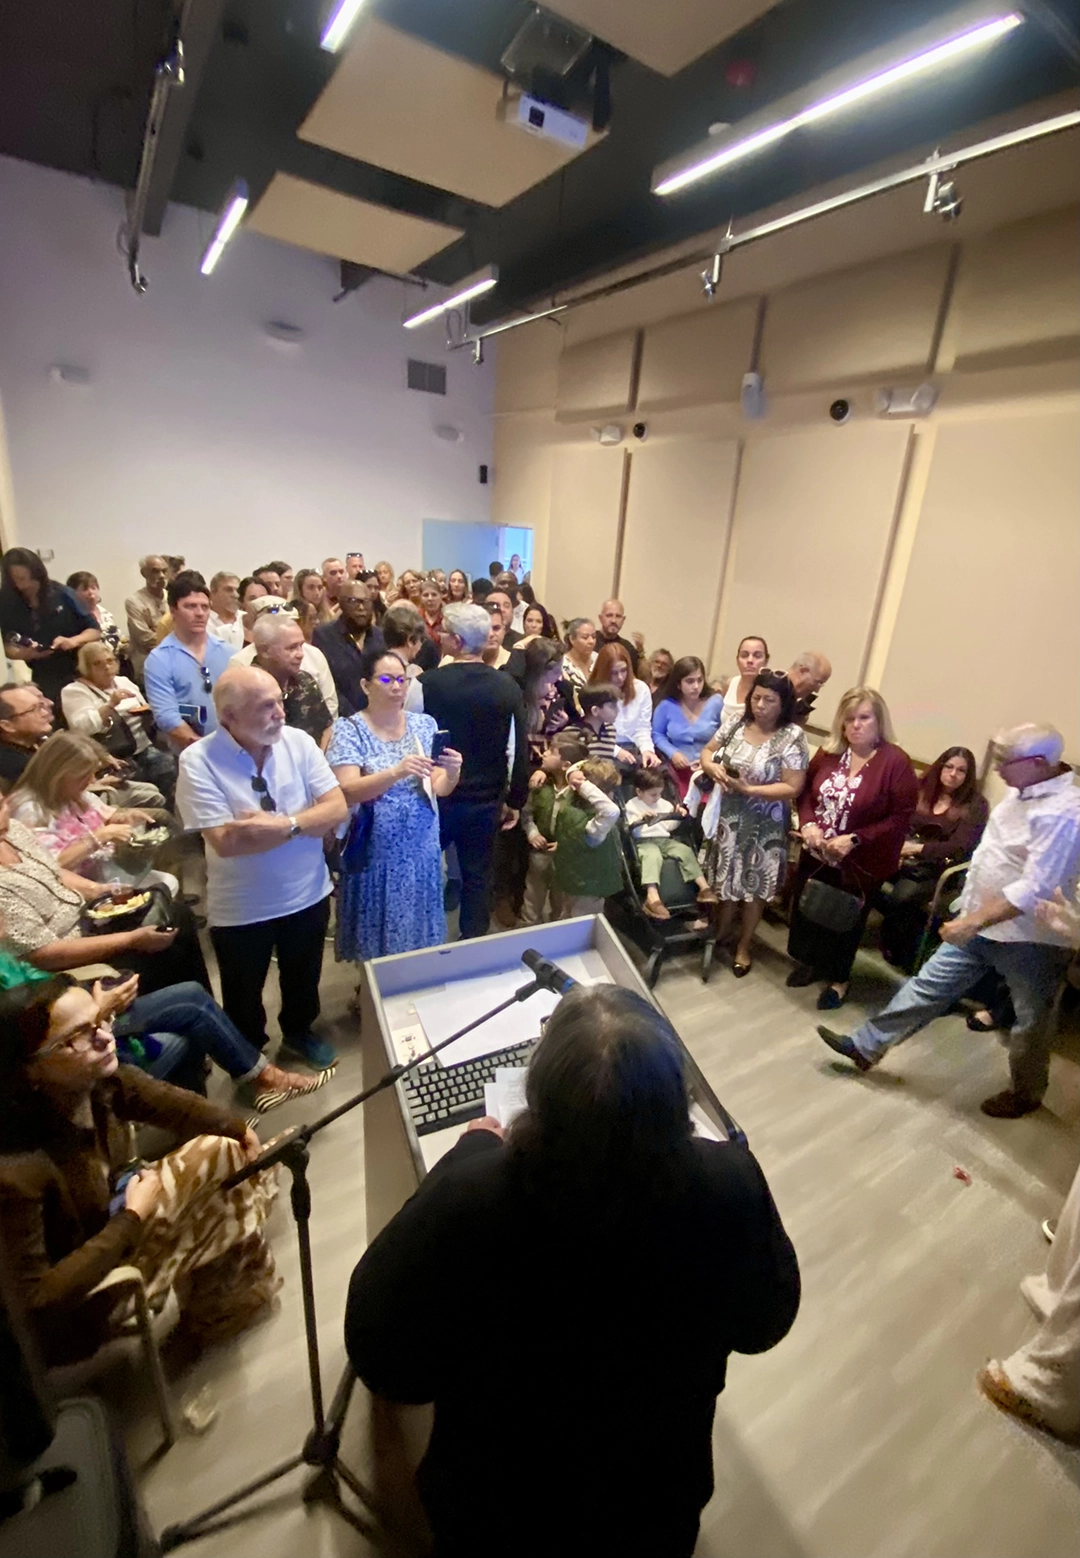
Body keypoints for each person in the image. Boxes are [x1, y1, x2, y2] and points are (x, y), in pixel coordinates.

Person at [345, 984, 799, 1558]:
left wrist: (467, 1153)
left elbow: (380, 1355)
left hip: (493, 1514)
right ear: (674, 1096)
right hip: (654, 1506)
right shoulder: (731, 1181)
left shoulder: (470, 1196)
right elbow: (765, 1323)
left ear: (538, 1097)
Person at [0, 973, 281, 1364]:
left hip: (112, 1229)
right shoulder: (17, 1169)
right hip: (82, 1309)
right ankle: (220, 1309)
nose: (104, 1038)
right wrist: (131, 1219)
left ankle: (222, 1307)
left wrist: (236, 1127)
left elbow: (166, 1101)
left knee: (231, 1154)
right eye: (77, 1036)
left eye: (100, 1020)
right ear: (30, 1070)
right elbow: (38, 1298)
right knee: (222, 1163)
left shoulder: (96, 1083)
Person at [817, 723, 1080, 1116]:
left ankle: (1026, 1093)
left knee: (1031, 1020)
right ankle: (866, 1046)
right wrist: (969, 910)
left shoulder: (1064, 813)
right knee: (927, 986)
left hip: (1029, 939)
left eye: (1006, 761)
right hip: (980, 921)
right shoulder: (1023, 787)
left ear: (1039, 763)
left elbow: (1035, 888)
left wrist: (972, 922)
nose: (997, 769)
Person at [175, 665, 347, 1071]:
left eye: (279, 702)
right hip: (241, 908)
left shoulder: (299, 743)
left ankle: (299, 1035)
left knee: (303, 980)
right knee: (242, 996)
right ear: (229, 716)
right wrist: (307, 822)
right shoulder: (198, 761)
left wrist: (283, 824)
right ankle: (250, 1062)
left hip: (307, 892)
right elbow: (227, 843)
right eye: (266, 706)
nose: (280, 713)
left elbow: (337, 807)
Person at [0, 790, 208, 992]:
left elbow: (53, 871)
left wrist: (97, 890)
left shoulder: (14, 832)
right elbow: (43, 955)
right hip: (67, 958)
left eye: (1, 805)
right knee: (164, 953)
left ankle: (203, 1002)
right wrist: (130, 940)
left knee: (177, 915)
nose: (5, 813)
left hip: (88, 920)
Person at [328, 648, 462, 961]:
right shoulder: (350, 729)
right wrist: (396, 772)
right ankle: (374, 986)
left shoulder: (424, 724)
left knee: (419, 932)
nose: (397, 687)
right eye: (387, 679)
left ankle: (413, 981)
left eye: (402, 680)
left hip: (421, 847)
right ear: (366, 685)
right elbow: (347, 790)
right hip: (376, 852)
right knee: (376, 938)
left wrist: (453, 772)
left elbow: (439, 787)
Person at [787, 687, 916, 1010]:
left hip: (859, 862)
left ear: (879, 720)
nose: (856, 725)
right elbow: (805, 794)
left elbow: (900, 818)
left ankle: (839, 979)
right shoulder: (829, 753)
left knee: (845, 920)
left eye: (864, 718)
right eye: (849, 719)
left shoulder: (895, 762)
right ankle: (812, 963)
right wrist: (809, 824)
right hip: (817, 853)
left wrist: (855, 839)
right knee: (811, 910)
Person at [418, 604, 527, 939]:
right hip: (485, 800)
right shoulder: (507, 686)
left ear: (456, 640)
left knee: (423, 871)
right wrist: (516, 799)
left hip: (434, 798)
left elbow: (413, 742)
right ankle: (472, 942)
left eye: (444, 632)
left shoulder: (426, 684)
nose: (439, 636)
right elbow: (516, 749)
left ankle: (419, 939)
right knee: (478, 877)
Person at [698, 671, 809, 974]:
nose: (760, 705)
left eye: (769, 700)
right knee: (726, 879)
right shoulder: (737, 722)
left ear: (783, 703)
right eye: (756, 697)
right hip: (729, 816)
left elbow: (793, 787)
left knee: (754, 887)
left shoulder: (792, 736)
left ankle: (744, 946)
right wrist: (711, 768)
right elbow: (708, 751)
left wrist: (751, 790)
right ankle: (722, 931)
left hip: (765, 823)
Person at [878, 746, 989, 970]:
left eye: (961, 770)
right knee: (865, 874)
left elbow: (959, 847)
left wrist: (918, 849)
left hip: (937, 868)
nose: (953, 774)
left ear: (968, 776)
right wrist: (896, 847)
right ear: (940, 767)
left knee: (902, 897)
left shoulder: (975, 805)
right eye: (949, 767)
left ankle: (897, 947)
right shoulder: (920, 789)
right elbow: (897, 820)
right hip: (902, 854)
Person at [8, 731, 165, 883]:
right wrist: (98, 838)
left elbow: (105, 818)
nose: (92, 781)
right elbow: (48, 867)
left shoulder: (76, 793)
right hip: (79, 887)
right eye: (84, 776)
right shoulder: (30, 811)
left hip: (108, 871)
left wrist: (122, 818)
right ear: (58, 775)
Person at [61, 642, 178, 800]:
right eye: (97, 663)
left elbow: (143, 705)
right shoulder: (74, 691)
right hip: (111, 757)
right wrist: (111, 704)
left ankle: (170, 812)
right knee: (145, 790)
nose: (106, 667)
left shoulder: (123, 681)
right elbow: (81, 728)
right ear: (86, 668)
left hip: (144, 747)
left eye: (110, 661)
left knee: (170, 771)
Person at [143, 571, 238, 752]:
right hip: (190, 752)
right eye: (190, 606)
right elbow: (167, 716)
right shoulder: (160, 659)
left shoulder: (228, 652)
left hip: (235, 747)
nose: (200, 613)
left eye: (205, 607)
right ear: (173, 611)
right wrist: (204, 749)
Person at [1, 548, 100, 706]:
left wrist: (73, 641)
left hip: (78, 667)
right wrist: (25, 654)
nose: (27, 585)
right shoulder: (7, 603)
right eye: (19, 580)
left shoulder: (61, 593)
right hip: (44, 674)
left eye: (31, 579)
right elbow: (6, 645)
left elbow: (94, 630)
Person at [625, 769, 715, 924]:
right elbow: (631, 830)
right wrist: (641, 818)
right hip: (644, 841)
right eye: (653, 794)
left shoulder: (664, 804)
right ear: (639, 792)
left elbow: (669, 826)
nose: (657, 798)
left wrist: (677, 816)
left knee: (684, 850)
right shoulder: (632, 805)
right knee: (652, 855)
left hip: (664, 839)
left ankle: (704, 888)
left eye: (660, 793)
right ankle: (652, 897)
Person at [520, 732, 589, 925]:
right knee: (532, 896)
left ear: (566, 765)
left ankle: (556, 930)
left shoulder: (581, 792)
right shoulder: (541, 784)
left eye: (551, 751)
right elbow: (527, 812)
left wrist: (566, 843)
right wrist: (532, 833)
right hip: (540, 852)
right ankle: (527, 929)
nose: (544, 754)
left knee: (561, 902)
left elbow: (587, 824)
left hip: (566, 857)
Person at [250, 613, 333, 751]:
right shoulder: (246, 691)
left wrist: (318, 758)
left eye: (301, 646)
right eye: (292, 648)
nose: (301, 654)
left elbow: (326, 728)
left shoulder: (306, 681)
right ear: (265, 651)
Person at [551, 758, 622, 918]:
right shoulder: (594, 828)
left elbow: (574, 768)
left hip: (571, 880)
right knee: (583, 924)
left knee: (567, 915)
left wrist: (573, 776)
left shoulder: (570, 809)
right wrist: (584, 785)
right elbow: (612, 811)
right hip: (590, 888)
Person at [651, 656, 725, 797]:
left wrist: (709, 759)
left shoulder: (716, 702)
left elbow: (725, 736)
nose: (696, 686)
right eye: (690, 681)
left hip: (708, 771)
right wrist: (673, 753)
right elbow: (657, 735)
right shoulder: (666, 705)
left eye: (700, 680)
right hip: (677, 772)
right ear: (678, 684)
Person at [312, 581, 384, 718]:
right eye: (353, 601)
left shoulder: (380, 637)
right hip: (340, 718)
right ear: (341, 603)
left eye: (366, 602)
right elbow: (326, 684)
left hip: (379, 717)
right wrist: (355, 718)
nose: (361, 607)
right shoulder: (324, 636)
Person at [590, 642, 658, 766]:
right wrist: (617, 751)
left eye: (624, 670)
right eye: (614, 673)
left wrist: (647, 750)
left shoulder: (641, 688)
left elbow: (642, 728)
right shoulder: (593, 691)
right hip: (603, 749)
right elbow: (592, 732)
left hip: (633, 747)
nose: (620, 677)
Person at [0, 682, 58, 791]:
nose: (45, 713)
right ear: (7, 726)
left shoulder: (38, 743)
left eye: (41, 706)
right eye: (33, 710)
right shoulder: (12, 765)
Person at [124, 555, 170, 682]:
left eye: (164, 571)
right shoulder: (134, 601)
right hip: (147, 664)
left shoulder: (172, 598)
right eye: (155, 571)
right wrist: (175, 643)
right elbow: (145, 639)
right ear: (144, 573)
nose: (161, 576)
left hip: (174, 662)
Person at [380, 603, 428, 711]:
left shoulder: (372, 667)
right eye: (421, 639)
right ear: (410, 640)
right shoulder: (414, 673)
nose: (421, 645)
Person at [65, 571, 121, 651]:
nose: (91, 592)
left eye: (93, 588)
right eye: (85, 589)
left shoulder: (105, 613)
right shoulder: (72, 617)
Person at [715, 635, 769, 716]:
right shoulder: (730, 684)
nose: (750, 660)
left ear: (766, 661)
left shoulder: (770, 691)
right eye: (744, 655)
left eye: (757, 656)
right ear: (737, 660)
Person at [571, 684, 623, 763]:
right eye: (612, 706)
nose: (617, 710)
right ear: (595, 710)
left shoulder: (610, 730)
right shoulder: (573, 733)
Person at [781, 650, 832, 728]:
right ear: (803, 671)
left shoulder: (794, 703)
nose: (816, 690)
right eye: (817, 682)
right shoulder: (770, 691)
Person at [596, 599, 642, 675]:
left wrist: (641, 652)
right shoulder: (590, 641)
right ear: (600, 618)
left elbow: (637, 677)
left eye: (618, 616)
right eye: (609, 615)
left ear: (623, 620)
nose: (613, 620)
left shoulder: (628, 648)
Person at [291, 568, 334, 641]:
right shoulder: (292, 614)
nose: (317, 592)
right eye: (311, 587)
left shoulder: (329, 615)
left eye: (320, 588)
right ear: (300, 590)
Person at [207, 571, 245, 649]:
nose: (236, 595)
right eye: (229, 590)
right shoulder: (203, 621)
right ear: (213, 593)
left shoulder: (245, 618)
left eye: (238, 591)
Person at [561, 617, 597, 689]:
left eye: (593, 637)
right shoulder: (562, 665)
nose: (591, 641)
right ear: (572, 639)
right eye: (585, 637)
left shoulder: (599, 659)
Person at [237, 576, 268, 644]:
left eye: (263, 598)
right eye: (252, 599)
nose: (258, 603)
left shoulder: (278, 629)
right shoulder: (231, 631)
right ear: (241, 602)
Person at [418, 577, 445, 645]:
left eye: (434, 595)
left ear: (441, 596)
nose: (430, 598)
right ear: (420, 598)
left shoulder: (449, 617)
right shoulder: (416, 618)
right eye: (426, 595)